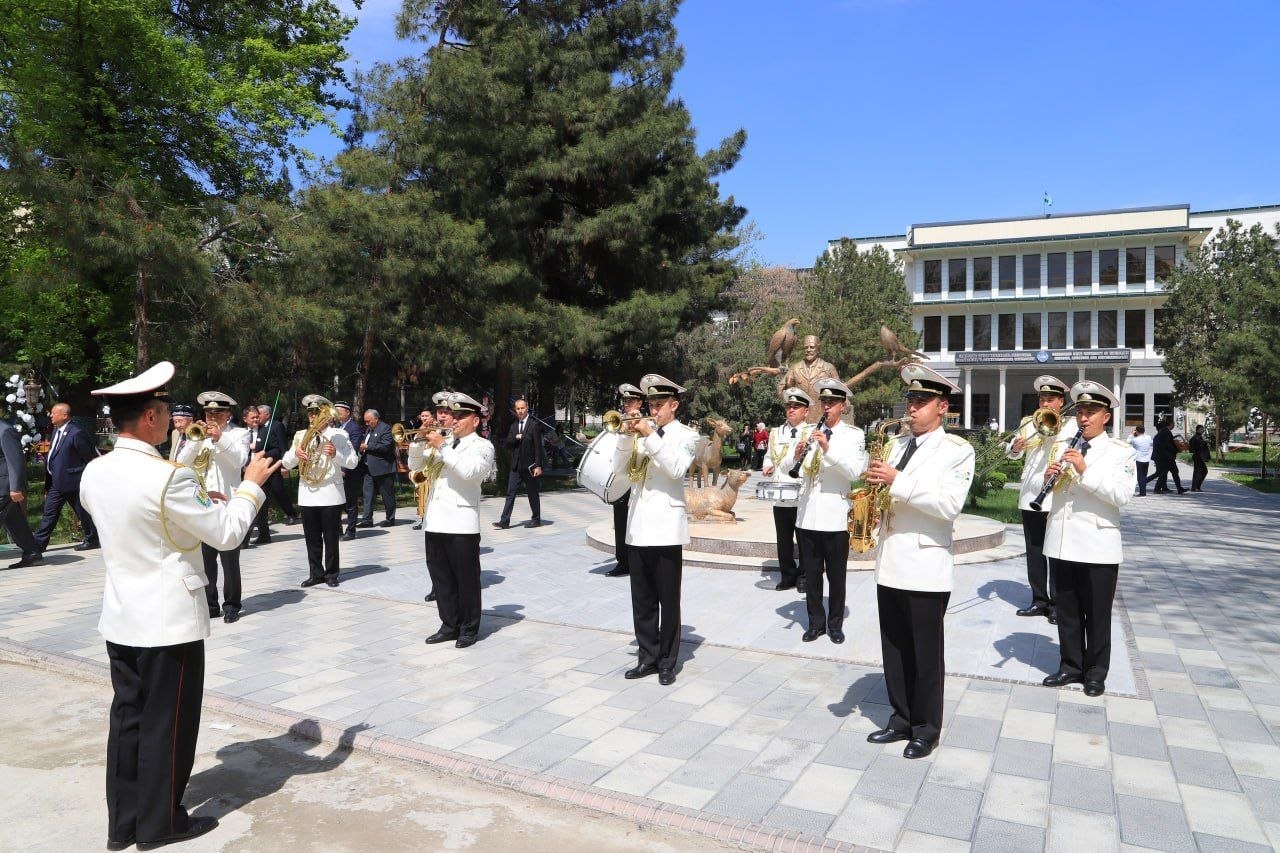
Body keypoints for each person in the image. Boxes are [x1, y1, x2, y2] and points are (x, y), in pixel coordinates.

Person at [79, 360, 279, 851]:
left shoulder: (96, 470)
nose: (173, 420)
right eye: (167, 411)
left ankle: (124, 825)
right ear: (149, 417)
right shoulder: (169, 477)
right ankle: (161, 823)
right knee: (168, 726)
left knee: (128, 720)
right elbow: (227, 535)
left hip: (122, 615)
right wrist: (252, 485)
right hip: (169, 621)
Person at [864, 363, 974, 759]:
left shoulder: (957, 451)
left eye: (922, 401)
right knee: (894, 649)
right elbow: (887, 494)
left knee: (926, 655)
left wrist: (897, 480)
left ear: (942, 407)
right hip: (891, 561)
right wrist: (872, 508)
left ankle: (927, 728)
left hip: (926, 566)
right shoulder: (895, 445)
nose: (912, 408)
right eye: (911, 399)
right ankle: (901, 717)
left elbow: (948, 505)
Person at [1041, 381, 1135, 697]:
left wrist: (1084, 470)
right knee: (1067, 611)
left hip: (1097, 546)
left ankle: (1095, 673)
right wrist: (1048, 480)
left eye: (1091, 412)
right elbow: (1057, 493)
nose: (1084, 418)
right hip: (1062, 541)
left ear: (1105, 417)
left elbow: (1122, 495)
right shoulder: (1062, 445)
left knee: (1096, 615)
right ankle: (1070, 665)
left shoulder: (1121, 452)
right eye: (1081, 411)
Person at [615, 374, 699, 685]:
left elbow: (676, 469)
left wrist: (649, 434)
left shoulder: (688, 436)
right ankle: (647, 658)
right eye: (651, 404)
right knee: (643, 600)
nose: (653, 410)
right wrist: (626, 438)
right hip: (639, 526)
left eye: (659, 404)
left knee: (668, 599)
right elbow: (619, 471)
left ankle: (667, 661)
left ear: (674, 405)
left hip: (666, 528)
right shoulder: (640, 435)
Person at [794, 379, 868, 643]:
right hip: (808, 515)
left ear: (843, 406)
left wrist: (827, 448)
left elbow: (854, 472)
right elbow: (799, 472)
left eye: (832, 402)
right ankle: (816, 623)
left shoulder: (853, 435)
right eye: (824, 402)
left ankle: (835, 624)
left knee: (837, 576)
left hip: (835, 516)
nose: (827, 407)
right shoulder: (809, 431)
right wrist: (797, 456)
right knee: (812, 575)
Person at [422, 392, 496, 648]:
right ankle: (449, 624)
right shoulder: (445, 442)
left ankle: (469, 627)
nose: (454, 420)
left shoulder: (483, 446)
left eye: (461, 416)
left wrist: (441, 447)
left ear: (475, 421)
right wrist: (419, 443)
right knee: (441, 578)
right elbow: (417, 467)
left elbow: (468, 472)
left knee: (466, 580)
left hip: (461, 523)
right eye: (454, 415)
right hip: (435, 520)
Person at [1005, 375, 1075, 624]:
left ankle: (1057, 604)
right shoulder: (1028, 423)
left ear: (1061, 401)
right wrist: (1015, 448)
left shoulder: (1072, 425)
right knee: (1034, 551)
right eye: (1042, 399)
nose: (1045, 403)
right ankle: (1038, 600)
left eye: (1051, 399)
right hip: (1031, 495)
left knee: (1056, 551)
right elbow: (1011, 453)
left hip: (1056, 494)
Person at [175, 391, 250, 623]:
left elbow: (240, 460)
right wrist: (196, 441)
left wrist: (220, 438)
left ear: (228, 414)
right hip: (204, 504)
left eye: (217, 413)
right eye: (209, 413)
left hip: (228, 504)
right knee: (206, 560)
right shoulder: (197, 435)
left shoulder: (239, 434)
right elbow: (181, 463)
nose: (212, 417)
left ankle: (232, 605)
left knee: (229, 560)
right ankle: (210, 604)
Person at [281, 396, 358, 588]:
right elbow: (286, 463)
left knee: (331, 538)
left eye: (317, 412)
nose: (313, 416)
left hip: (330, 493)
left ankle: (332, 574)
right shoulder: (300, 435)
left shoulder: (339, 435)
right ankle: (315, 574)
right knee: (312, 538)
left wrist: (336, 454)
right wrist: (295, 454)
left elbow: (353, 462)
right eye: (310, 412)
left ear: (327, 416)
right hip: (308, 494)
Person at [763, 389, 813, 592]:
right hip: (780, 493)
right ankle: (787, 575)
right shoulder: (776, 432)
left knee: (803, 538)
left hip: (801, 493)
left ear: (806, 411)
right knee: (783, 539)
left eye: (796, 407)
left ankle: (804, 576)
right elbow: (769, 455)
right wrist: (767, 465)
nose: (791, 410)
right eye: (789, 406)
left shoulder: (811, 432)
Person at [33, 402, 100, 553]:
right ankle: (38, 544)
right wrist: (48, 485)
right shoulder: (56, 431)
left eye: (54, 413)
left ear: (64, 415)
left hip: (74, 482)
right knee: (49, 513)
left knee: (83, 513)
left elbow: (91, 457)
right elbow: (53, 458)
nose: (50, 415)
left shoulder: (76, 433)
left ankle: (92, 539)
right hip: (57, 483)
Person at [606, 384, 645, 578]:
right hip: (622, 478)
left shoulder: (648, 423)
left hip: (640, 480)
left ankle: (639, 562)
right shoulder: (619, 420)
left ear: (640, 403)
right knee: (620, 521)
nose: (627, 404)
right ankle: (623, 561)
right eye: (625, 401)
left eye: (631, 401)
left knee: (638, 521)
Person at [494, 398, 546, 529]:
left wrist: (538, 465)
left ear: (527, 408)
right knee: (510, 493)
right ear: (515, 410)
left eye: (522, 408)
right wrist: (515, 438)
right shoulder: (514, 425)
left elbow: (538, 447)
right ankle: (504, 521)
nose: (520, 411)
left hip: (530, 466)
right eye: (518, 408)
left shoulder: (534, 425)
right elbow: (508, 444)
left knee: (532, 493)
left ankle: (536, 519)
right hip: (516, 466)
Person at [1, 415, 41, 569]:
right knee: (15, 521)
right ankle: (32, 553)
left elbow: (15, 460)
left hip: (5, 487)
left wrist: (15, 487)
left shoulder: (5, 431)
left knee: (14, 520)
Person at [359, 409, 397, 527]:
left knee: (387, 495)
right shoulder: (368, 429)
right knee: (368, 495)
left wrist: (367, 446)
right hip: (368, 468)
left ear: (376, 418)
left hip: (383, 468)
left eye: (368, 421)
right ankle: (367, 519)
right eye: (365, 421)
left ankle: (390, 518)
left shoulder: (385, 428)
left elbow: (385, 446)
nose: (366, 423)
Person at [334, 402, 365, 541]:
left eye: (339, 412)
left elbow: (353, 449)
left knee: (350, 503)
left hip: (349, 471)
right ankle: (338, 530)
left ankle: (351, 531)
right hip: (336, 470)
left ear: (347, 412)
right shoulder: (337, 427)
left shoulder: (354, 428)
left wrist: (344, 469)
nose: (336, 415)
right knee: (337, 501)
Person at [1146, 416, 1188, 494]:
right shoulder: (1166, 432)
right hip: (1165, 458)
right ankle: (1154, 487)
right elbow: (1168, 446)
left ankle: (1178, 488)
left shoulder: (1164, 432)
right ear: (1171, 424)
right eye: (1174, 424)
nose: (1174, 425)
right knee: (1163, 473)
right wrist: (1178, 449)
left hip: (1165, 457)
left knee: (1172, 472)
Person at [411, 407, 436, 530]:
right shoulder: (420, 429)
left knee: (430, 494)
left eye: (427, 415)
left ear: (432, 417)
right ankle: (423, 518)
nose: (424, 418)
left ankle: (430, 518)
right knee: (422, 494)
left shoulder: (436, 429)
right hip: (422, 466)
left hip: (433, 467)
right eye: (422, 416)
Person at [1128, 425, 1153, 496]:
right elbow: (1151, 442)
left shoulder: (1135, 440)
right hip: (1146, 460)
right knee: (1144, 476)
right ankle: (1143, 492)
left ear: (1137, 431)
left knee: (1139, 477)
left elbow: (1128, 441)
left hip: (1138, 460)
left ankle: (1142, 493)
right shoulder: (1148, 438)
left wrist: (1131, 434)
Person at [1189, 425, 1211, 491]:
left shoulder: (1198, 436)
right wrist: (1205, 442)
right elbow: (1195, 444)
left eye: (1203, 429)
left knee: (1203, 471)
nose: (1203, 430)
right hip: (1197, 456)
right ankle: (1194, 487)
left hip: (1199, 456)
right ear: (1197, 430)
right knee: (1198, 472)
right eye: (1201, 429)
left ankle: (1197, 487)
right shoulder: (1196, 437)